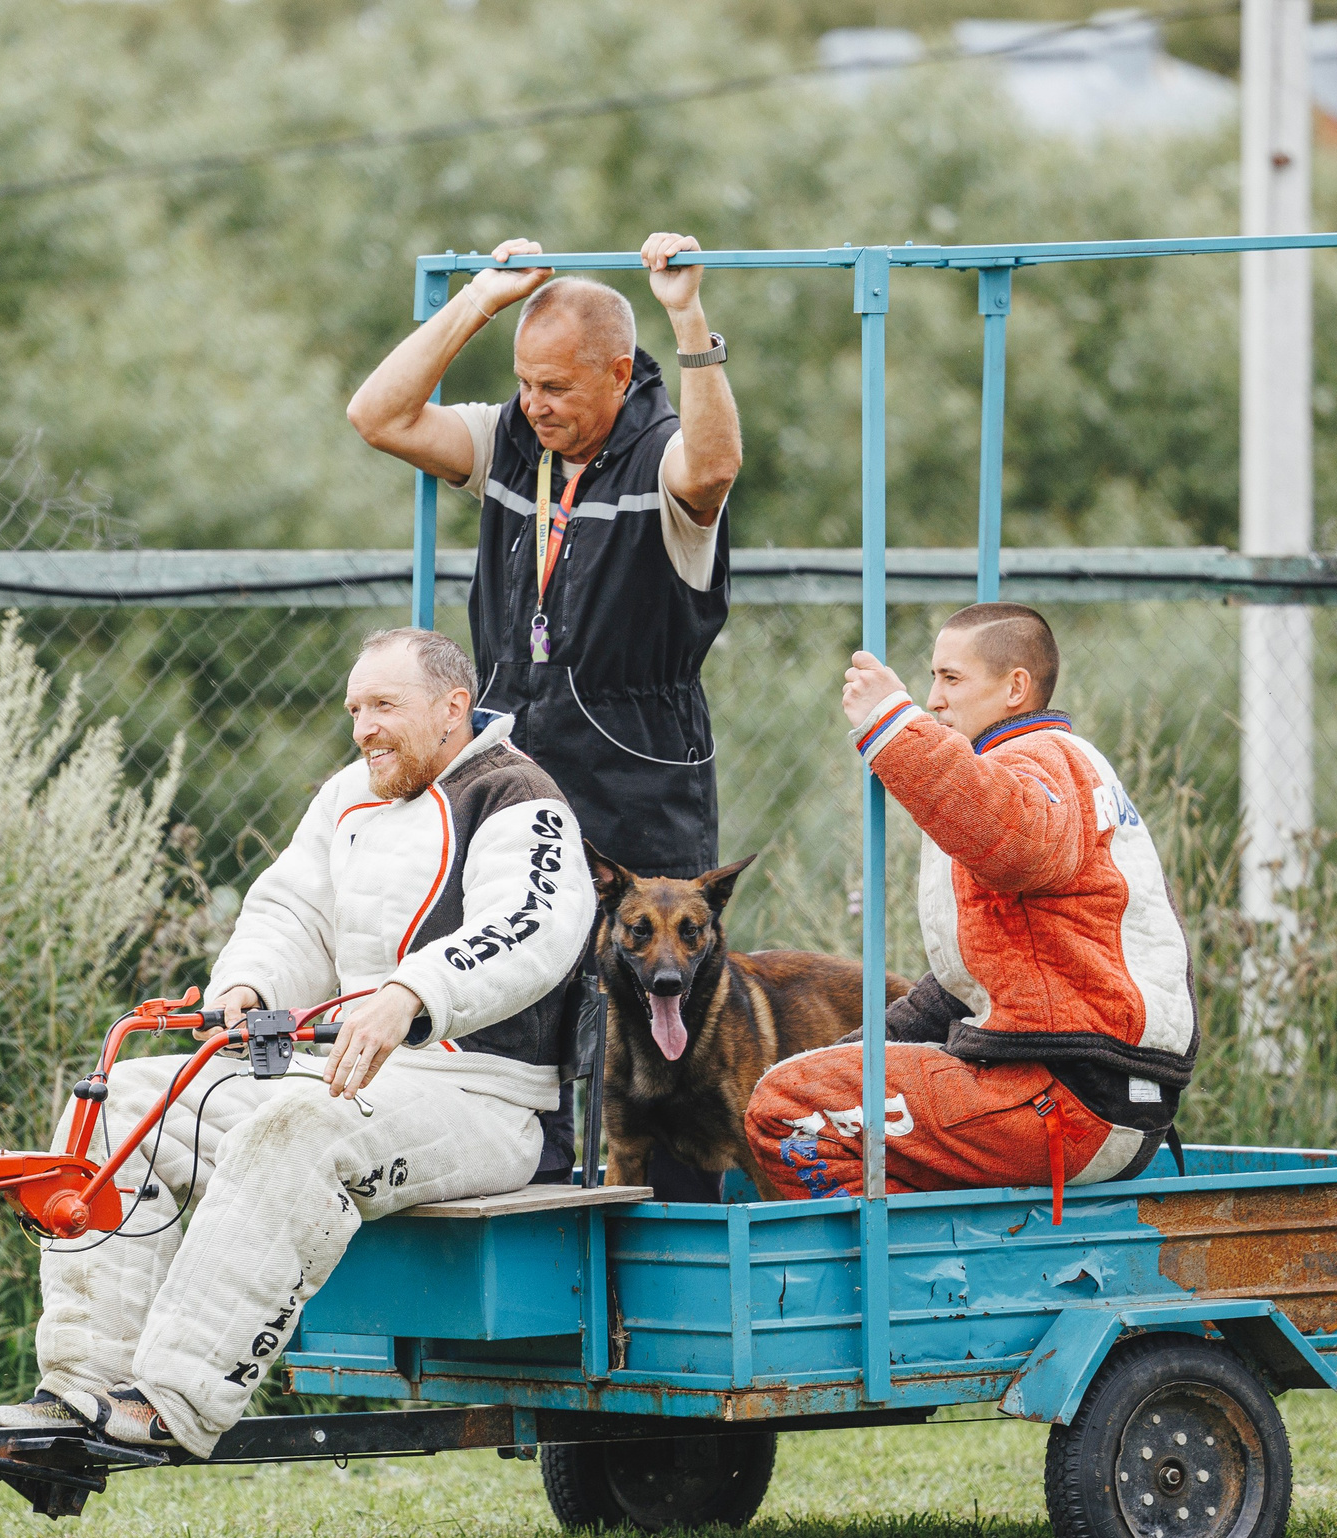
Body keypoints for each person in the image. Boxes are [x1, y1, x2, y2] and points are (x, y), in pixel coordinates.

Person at [0, 628, 595, 1456]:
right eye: (353, 710)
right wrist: (248, 987)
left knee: (297, 1128)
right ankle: (78, 1396)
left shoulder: (518, 796)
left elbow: (533, 929)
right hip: (348, 1072)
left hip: (480, 1097)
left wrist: (413, 994)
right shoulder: (348, 794)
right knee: (129, 1104)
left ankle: (170, 1405)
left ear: (453, 707)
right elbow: (292, 914)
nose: (363, 728)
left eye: (383, 707)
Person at [346, 232, 743, 1198]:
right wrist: (480, 299)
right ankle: (525, 1208)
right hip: (513, 762)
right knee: (503, 996)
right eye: (524, 383)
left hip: (636, 775)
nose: (536, 405)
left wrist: (688, 317)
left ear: (618, 373)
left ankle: (666, 1255)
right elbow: (378, 414)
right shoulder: (515, 441)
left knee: (652, 1029)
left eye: (557, 387)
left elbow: (718, 465)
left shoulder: (662, 455)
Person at [742, 604, 1199, 1216]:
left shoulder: (1041, 763)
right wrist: (847, 1053)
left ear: (1016, 687)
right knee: (812, 1079)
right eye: (931, 680)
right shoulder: (1041, 768)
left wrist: (890, 726)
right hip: (1092, 1088)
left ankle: (902, 1290)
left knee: (789, 1111)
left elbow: (1010, 837)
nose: (932, 699)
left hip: (1071, 1094)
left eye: (950, 679)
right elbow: (964, 989)